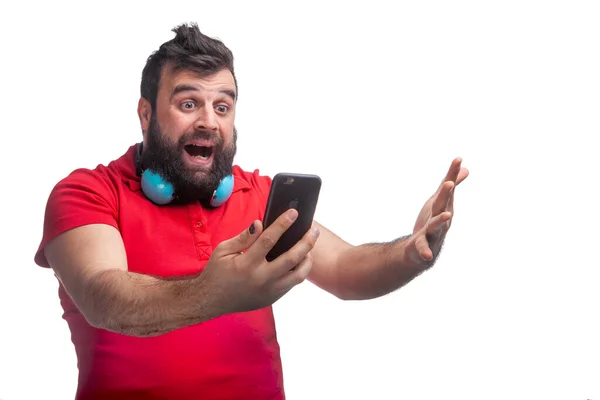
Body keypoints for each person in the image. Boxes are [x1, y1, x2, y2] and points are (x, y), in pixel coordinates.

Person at [34, 22, 469, 400]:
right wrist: (212, 293)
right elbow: (100, 295)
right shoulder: (88, 192)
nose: (209, 121)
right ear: (145, 114)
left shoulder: (259, 195)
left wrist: (412, 252)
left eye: (222, 106)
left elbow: (347, 269)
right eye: (189, 104)